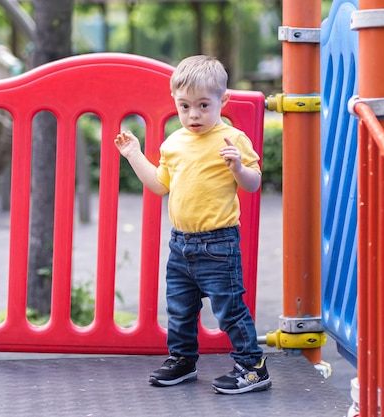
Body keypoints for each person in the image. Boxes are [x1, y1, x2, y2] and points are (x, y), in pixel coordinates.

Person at [114, 55, 271, 394]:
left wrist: (237, 168)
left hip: (219, 244)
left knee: (229, 310)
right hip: (180, 244)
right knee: (180, 310)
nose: (194, 115)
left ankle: (253, 367)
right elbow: (159, 185)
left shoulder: (232, 139)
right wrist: (134, 155)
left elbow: (253, 184)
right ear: (175, 102)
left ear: (223, 100)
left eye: (203, 105)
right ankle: (182, 360)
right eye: (185, 106)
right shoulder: (173, 143)